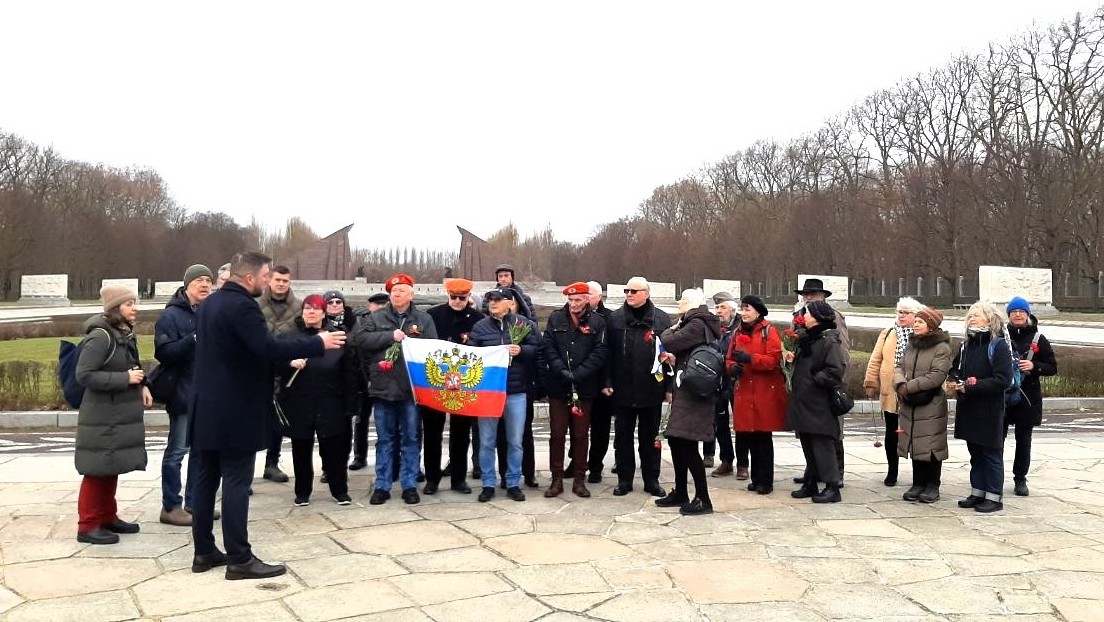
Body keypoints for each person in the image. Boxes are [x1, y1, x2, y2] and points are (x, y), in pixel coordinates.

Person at [190, 251, 345, 580]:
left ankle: (203, 551)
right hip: (234, 410)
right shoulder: (243, 306)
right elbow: (267, 350)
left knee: (205, 481)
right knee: (235, 481)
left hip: (205, 406)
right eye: (264, 277)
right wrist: (317, 343)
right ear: (249, 278)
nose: (266, 282)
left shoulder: (211, 304)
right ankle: (240, 559)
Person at [73, 284, 152, 545]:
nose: (134, 308)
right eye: (129, 304)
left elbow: (132, 366)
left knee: (110, 465)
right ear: (115, 308)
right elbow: (84, 375)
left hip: (116, 413)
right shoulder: (100, 336)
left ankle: (107, 516)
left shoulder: (123, 334)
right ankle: (87, 525)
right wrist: (124, 378)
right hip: (102, 415)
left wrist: (141, 384)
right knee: (96, 469)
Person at [353, 274, 438, 506]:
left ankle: (409, 484)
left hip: (411, 389)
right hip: (383, 387)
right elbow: (360, 340)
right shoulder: (376, 316)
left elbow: (432, 348)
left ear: (411, 294)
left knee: (410, 438)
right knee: (385, 439)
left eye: (402, 290)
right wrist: (389, 336)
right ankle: (382, 484)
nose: (397, 294)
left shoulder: (423, 319)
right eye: (393, 291)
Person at [277, 294, 359, 506]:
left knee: (334, 449)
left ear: (324, 313)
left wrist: (351, 405)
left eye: (316, 308)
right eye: (307, 308)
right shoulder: (289, 337)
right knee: (301, 448)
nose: (311, 312)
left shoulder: (338, 337)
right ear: (302, 311)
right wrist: (289, 364)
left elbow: (350, 373)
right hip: (300, 402)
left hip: (332, 401)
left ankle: (339, 489)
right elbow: (274, 365)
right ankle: (302, 492)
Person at [154, 264, 214, 527]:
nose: (205, 285)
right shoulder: (170, 316)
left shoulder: (210, 312)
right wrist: (194, 339)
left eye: (208, 281)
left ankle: (194, 503)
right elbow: (164, 353)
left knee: (201, 452)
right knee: (178, 451)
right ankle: (171, 505)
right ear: (187, 284)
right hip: (182, 393)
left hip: (206, 393)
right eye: (200, 280)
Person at [468, 287, 541, 502]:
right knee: (487, 440)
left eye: (498, 300)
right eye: (491, 300)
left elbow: (537, 349)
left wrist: (522, 351)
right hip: (488, 392)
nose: (493, 304)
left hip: (515, 391)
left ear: (510, 303)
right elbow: (472, 354)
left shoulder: (523, 325)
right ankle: (488, 482)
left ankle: (512, 482)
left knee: (515, 441)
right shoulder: (480, 327)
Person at [655, 288, 720, 515]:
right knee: (676, 440)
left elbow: (667, 341)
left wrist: (672, 328)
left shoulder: (696, 324)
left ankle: (703, 498)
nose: (679, 304)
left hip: (695, 394)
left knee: (688, 444)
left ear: (691, 303)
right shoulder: (697, 323)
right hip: (688, 390)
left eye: (682, 301)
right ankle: (681, 491)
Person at [541, 281, 608, 498]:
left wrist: (579, 373)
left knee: (580, 435)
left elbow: (600, 352)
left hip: (585, 386)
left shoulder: (598, 321)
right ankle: (556, 479)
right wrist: (561, 370)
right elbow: (548, 347)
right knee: (557, 434)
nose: (573, 304)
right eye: (570, 300)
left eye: (578, 300)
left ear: (587, 299)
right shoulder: (556, 318)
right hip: (559, 386)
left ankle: (580, 479)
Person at [605, 276, 671, 498]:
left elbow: (668, 358)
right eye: (627, 291)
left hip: (651, 389)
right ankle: (625, 480)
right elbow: (607, 354)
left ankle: (651, 479)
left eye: (634, 291)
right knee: (623, 438)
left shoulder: (661, 320)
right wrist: (607, 382)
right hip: (622, 389)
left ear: (647, 293)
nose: (629, 295)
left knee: (651, 438)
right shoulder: (614, 319)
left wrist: (668, 388)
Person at [949, 301, 1013, 514]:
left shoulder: (998, 345)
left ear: (991, 319)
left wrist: (973, 387)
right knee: (975, 452)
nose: (972, 319)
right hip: (969, 408)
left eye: (977, 315)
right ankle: (978, 492)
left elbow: (1004, 380)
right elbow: (955, 369)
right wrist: (954, 380)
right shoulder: (966, 345)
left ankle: (994, 497)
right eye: (970, 316)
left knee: (991, 453)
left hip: (989, 410)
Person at [423, 278, 483, 494]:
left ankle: (458, 478)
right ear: (447, 296)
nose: (457, 301)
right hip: (435, 382)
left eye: (462, 298)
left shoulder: (477, 319)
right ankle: (432, 478)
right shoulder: (432, 316)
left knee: (461, 433)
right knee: (432, 432)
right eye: (453, 297)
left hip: (463, 383)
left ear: (468, 298)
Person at [786, 301, 846, 504]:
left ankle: (832, 486)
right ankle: (810, 481)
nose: (805, 316)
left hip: (819, 401)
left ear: (818, 317)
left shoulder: (828, 340)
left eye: (808, 313)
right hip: (804, 399)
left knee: (822, 444)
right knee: (808, 443)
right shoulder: (808, 338)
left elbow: (835, 372)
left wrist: (814, 377)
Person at [726, 295, 787, 495]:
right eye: (742, 309)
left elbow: (772, 360)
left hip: (763, 391)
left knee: (763, 437)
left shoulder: (769, 332)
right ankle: (756, 478)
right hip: (744, 390)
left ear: (758, 312)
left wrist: (750, 359)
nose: (743, 313)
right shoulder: (736, 333)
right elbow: (728, 358)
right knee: (749, 436)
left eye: (747, 309)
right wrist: (732, 367)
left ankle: (766, 480)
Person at [893, 306, 952, 503]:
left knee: (932, 444)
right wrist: (899, 384)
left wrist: (908, 387)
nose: (915, 324)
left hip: (931, 403)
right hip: (910, 402)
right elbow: (899, 366)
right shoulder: (912, 345)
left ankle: (932, 485)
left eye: (920, 322)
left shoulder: (941, 347)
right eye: (915, 321)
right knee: (914, 441)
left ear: (931, 326)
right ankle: (917, 483)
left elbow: (937, 375)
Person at [862, 296, 922, 486]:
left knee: (913, 434)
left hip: (913, 392)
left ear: (915, 315)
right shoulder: (888, 333)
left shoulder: (921, 334)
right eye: (899, 312)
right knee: (891, 433)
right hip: (890, 391)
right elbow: (875, 359)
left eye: (906, 313)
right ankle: (892, 471)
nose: (902, 316)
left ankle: (918, 475)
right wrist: (871, 383)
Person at [1003, 297, 1057, 497]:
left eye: (1021, 311)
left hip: (1028, 396)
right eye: (1014, 311)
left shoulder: (1038, 338)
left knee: (1023, 440)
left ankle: (1020, 479)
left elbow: (1052, 367)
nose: (1018, 314)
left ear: (1027, 314)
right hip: (1005, 395)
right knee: (997, 439)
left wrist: (1035, 367)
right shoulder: (1001, 335)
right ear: (1008, 315)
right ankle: (995, 476)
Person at [257, 265, 302, 484]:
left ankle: (272, 463)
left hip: (286, 369)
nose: (281, 284)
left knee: (277, 421)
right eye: (278, 280)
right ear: (269, 281)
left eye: (285, 280)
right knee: (251, 421)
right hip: (258, 369)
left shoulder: (299, 307)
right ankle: (243, 470)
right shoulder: (255, 304)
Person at [349, 292, 390, 471]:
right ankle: (360, 455)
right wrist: (366, 379)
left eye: (383, 304)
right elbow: (359, 353)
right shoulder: (362, 324)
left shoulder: (391, 323)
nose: (380, 308)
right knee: (361, 419)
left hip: (388, 379)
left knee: (387, 420)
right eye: (376, 305)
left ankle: (387, 455)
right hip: (364, 379)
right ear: (370, 306)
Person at [705, 295, 744, 478]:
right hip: (718, 381)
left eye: (722, 307)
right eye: (717, 308)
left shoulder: (742, 328)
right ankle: (726, 460)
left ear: (733, 310)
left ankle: (743, 463)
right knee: (720, 424)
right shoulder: (713, 329)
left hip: (737, 380)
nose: (718, 311)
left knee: (741, 424)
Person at [583, 280, 616, 482]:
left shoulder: (611, 319)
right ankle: (576, 462)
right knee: (577, 427)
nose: (585, 300)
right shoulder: (571, 315)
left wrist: (608, 381)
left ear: (599, 297)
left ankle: (596, 465)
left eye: (589, 296)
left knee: (600, 427)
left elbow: (611, 354)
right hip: (580, 380)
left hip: (602, 382)